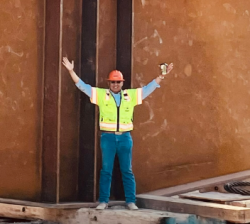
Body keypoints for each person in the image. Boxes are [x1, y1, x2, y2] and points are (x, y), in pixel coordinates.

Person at [61, 56, 175, 210]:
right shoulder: (102, 95)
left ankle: (131, 201)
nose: (115, 84)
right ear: (109, 83)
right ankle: (103, 201)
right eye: (113, 82)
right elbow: (82, 86)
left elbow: (149, 88)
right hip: (107, 137)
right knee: (106, 170)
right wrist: (71, 71)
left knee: (127, 170)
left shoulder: (130, 96)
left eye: (118, 82)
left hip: (125, 138)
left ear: (122, 83)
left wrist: (162, 75)